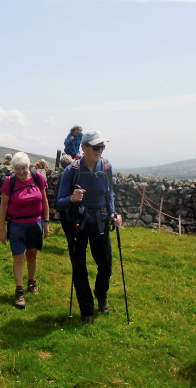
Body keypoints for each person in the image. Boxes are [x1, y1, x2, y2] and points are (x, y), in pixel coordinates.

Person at [56, 130, 123, 324]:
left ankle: (101, 295)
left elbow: (109, 194)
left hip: (100, 219)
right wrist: (72, 198)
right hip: (77, 223)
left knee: (106, 265)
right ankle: (87, 310)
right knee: (79, 268)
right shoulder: (72, 170)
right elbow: (59, 202)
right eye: (96, 147)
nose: (100, 150)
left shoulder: (106, 166)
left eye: (102, 146)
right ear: (84, 148)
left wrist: (112, 214)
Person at [0, 152, 50, 309]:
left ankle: (32, 281)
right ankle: (19, 291)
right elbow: (4, 207)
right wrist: (2, 229)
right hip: (16, 225)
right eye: (18, 169)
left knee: (32, 254)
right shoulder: (10, 182)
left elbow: (45, 200)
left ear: (30, 166)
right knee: (19, 257)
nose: (21, 172)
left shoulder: (37, 178)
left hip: (36, 223)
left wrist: (46, 223)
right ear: (14, 169)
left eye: (24, 168)